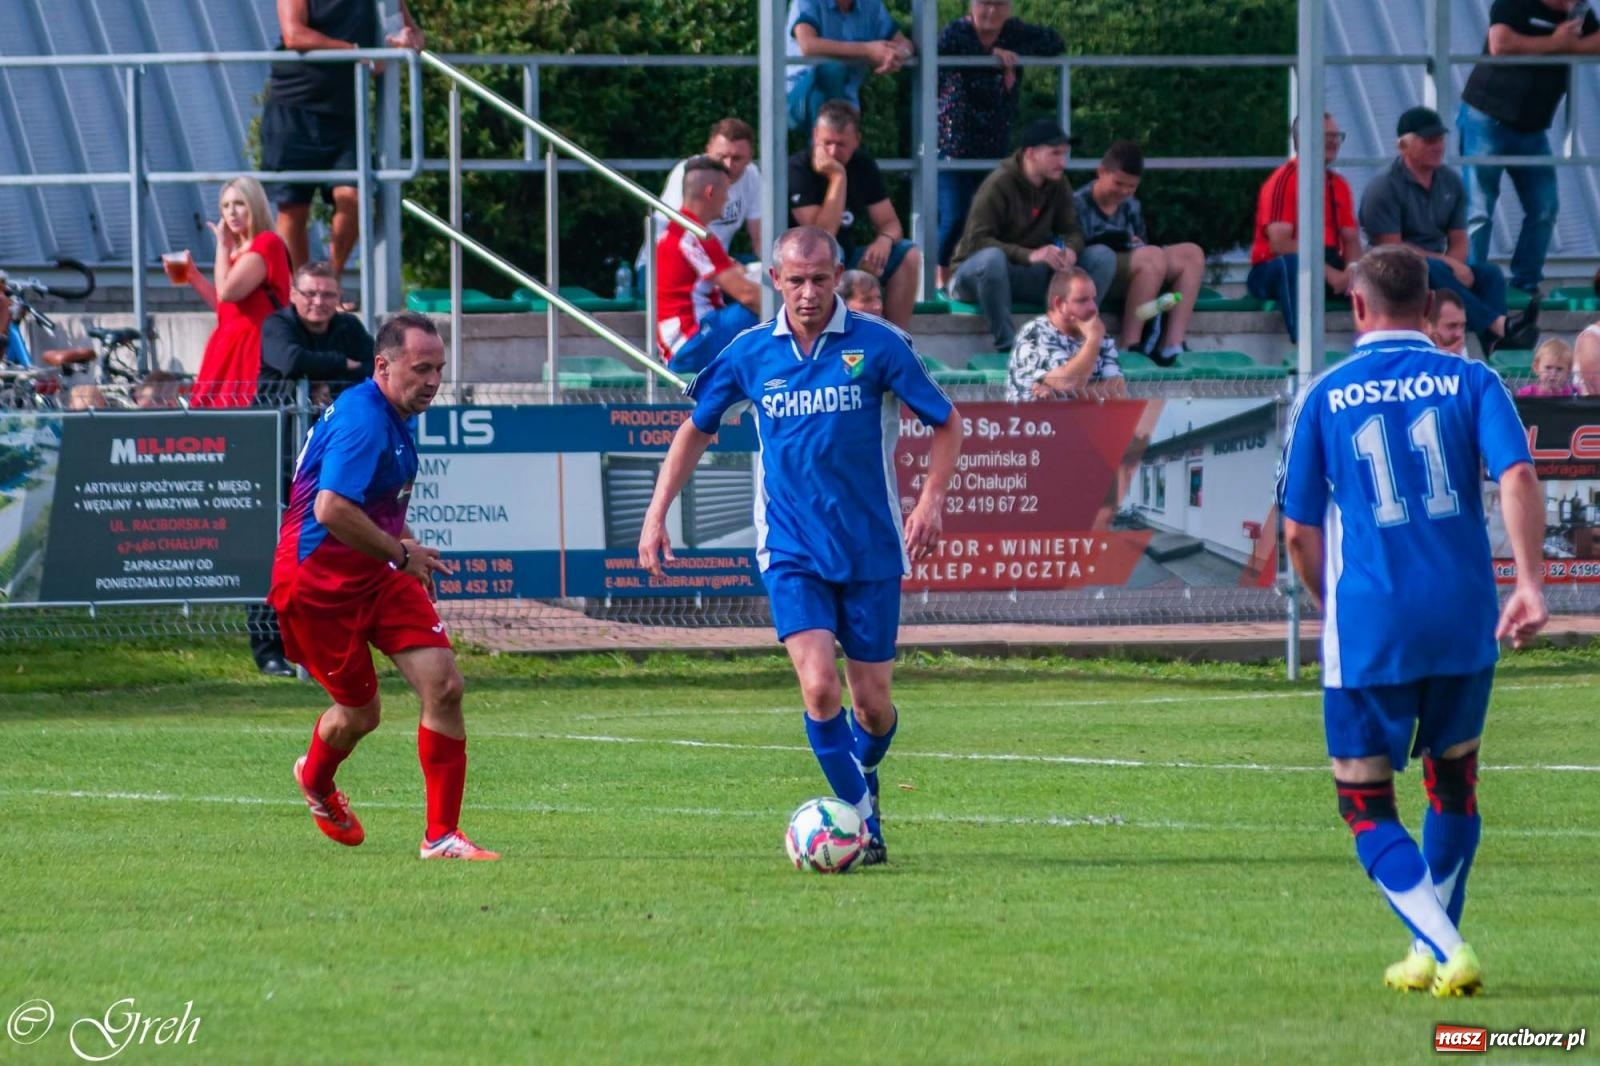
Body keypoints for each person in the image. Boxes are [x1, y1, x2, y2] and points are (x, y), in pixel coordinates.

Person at [638, 225, 963, 867]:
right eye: (796, 281)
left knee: (872, 709)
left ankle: (859, 780)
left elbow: (948, 423)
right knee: (819, 688)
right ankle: (862, 827)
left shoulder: (880, 345)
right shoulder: (750, 352)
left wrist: (929, 503)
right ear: (776, 282)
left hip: (870, 546)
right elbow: (694, 431)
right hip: (790, 547)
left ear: (838, 274)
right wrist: (655, 515)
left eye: (820, 279)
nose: (809, 292)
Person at [1277, 245, 1547, 999]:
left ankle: (1446, 943)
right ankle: (1426, 953)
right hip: (1465, 619)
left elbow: (1298, 531)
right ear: (1431, 309)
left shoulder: (1325, 395)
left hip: (1373, 622)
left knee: (1363, 803)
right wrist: (1529, 583)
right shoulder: (1474, 379)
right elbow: (1519, 475)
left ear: (1356, 308)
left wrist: (1334, 610)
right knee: (1453, 784)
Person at [271, 312, 499, 861]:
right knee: (361, 715)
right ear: (383, 365)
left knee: (443, 686)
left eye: (439, 368)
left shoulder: (395, 412)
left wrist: (406, 554)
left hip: (375, 571)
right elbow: (330, 509)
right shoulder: (364, 421)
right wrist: (401, 554)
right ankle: (317, 781)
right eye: (421, 368)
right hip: (318, 585)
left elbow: (377, 505)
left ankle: (441, 835)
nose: (433, 381)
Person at [250, 261, 378, 679]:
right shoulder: (277, 324)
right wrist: (343, 368)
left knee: (330, 548)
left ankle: (325, 644)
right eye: (310, 294)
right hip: (277, 455)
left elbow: (374, 366)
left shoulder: (349, 328)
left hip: (330, 459)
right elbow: (288, 360)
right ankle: (270, 649)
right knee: (273, 549)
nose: (319, 302)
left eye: (327, 294)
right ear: (293, 294)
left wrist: (323, 372)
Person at [1358, 106, 1541, 357]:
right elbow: (1392, 249)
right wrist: (1448, 264)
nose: (1438, 146)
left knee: (1489, 274)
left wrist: (1457, 266)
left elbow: (1459, 238)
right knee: (1434, 269)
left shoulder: (1450, 181)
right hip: (1394, 273)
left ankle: (1495, 344)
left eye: (1441, 139)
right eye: (1429, 140)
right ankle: (1500, 327)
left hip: (1438, 267)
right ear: (1404, 145)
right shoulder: (1383, 187)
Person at [264, 0, 425, 281]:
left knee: (354, 197)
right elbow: (293, 34)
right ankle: (302, 291)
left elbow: (412, 35)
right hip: (294, 107)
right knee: (293, 208)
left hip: (345, 112)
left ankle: (328, 283)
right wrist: (354, 52)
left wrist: (409, 41)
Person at [1459, 0, 1599, 296]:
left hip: (1533, 127)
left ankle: (1526, 282)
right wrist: (1555, 42)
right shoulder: (1516, 3)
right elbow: (1500, 43)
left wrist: (1567, 46)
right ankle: (1472, 284)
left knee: (1544, 207)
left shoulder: (1577, 12)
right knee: (1479, 208)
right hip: (1488, 118)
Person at [934, 0, 1064, 288]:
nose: (991, 11)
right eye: (984, 3)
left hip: (995, 146)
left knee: (990, 219)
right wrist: (991, 56)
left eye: (1000, 4)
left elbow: (1055, 42)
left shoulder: (1013, 32)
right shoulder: (956, 32)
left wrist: (1015, 56)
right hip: (953, 146)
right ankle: (939, 280)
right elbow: (943, 49)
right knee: (955, 214)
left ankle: (977, 278)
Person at [949, 119, 1108, 352]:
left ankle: (1070, 337)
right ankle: (1009, 348)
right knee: (992, 259)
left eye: (1065, 154)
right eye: (1055, 154)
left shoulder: (1058, 183)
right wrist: (1030, 255)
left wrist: (1070, 249)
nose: (1063, 162)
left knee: (1102, 257)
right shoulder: (999, 183)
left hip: (1023, 274)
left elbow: (1072, 230)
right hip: (976, 277)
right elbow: (978, 242)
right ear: (1031, 154)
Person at [788, 100, 921, 330]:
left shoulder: (862, 165)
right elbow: (821, 237)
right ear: (814, 136)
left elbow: (891, 224)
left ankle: (898, 340)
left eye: (841, 145)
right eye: (826, 143)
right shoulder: (797, 169)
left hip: (848, 256)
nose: (832, 152)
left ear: (856, 141)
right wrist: (838, 177)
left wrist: (884, 240)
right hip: (809, 262)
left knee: (908, 254)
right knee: (831, 253)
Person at [1074, 140, 1205, 365]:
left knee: (1191, 254)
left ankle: (1172, 345)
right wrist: (1123, 241)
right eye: (1119, 183)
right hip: (1101, 271)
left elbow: (1143, 243)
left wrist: (1135, 244)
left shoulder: (1131, 205)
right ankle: (1130, 346)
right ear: (1101, 172)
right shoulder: (1077, 202)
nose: (1124, 191)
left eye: (1131, 186)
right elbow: (1079, 248)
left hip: (1138, 270)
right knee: (1150, 257)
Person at [1246, 113, 1364, 343]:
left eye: (1336, 136)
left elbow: (1350, 240)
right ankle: (1304, 348)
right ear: (1303, 139)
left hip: (1328, 262)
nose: (1333, 142)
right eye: (1326, 136)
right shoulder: (1284, 180)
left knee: (1379, 270)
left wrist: (1351, 270)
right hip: (1275, 267)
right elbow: (1280, 244)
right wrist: (1328, 273)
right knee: (1294, 266)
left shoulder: (1339, 185)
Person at [178, 177, 293, 408]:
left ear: (255, 205)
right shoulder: (239, 250)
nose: (232, 212)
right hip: (227, 343)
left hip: (253, 346)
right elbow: (225, 308)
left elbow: (227, 291)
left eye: (239, 203)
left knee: (242, 414)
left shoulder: (266, 243)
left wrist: (222, 246)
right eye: (226, 206)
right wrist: (193, 277)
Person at [655, 156, 764, 375]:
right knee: (778, 312)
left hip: (685, 341)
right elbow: (747, 295)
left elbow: (736, 274)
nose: (728, 199)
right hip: (690, 341)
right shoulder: (698, 235)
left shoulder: (680, 230)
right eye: (726, 191)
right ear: (710, 193)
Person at [637, 118, 764, 280]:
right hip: (666, 265)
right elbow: (683, 236)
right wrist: (728, 267)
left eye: (737, 158)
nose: (728, 165)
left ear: (750, 156)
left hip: (716, 263)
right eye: (721, 156)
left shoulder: (752, 175)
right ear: (708, 150)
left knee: (772, 278)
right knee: (749, 294)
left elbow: (760, 238)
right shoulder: (690, 173)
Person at [785, 0, 912, 131]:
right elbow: (808, 45)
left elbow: (903, 43)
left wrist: (898, 54)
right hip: (798, 94)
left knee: (844, 133)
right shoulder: (806, 2)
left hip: (848, 100)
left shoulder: (871, 5)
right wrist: (867, 50)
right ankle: (822, 142)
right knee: (830, 71)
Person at [1006, 267, 1126, 402]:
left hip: (1084, 421)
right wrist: (1092, 340)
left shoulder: (1101, 336)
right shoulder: (1034, 335)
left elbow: (1118, 391)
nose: (1093, 308)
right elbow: (1068, 383)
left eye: (1093, 299)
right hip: (1036, 421)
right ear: (1059, 304)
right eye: (1082, 300)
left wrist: (1059, 394)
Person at [1429, 289, 1469, 356]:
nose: (1459, 334)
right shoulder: (1411, 352)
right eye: (1452, 326)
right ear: (1429, 325)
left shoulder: (1460, 350)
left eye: (1462, 326)